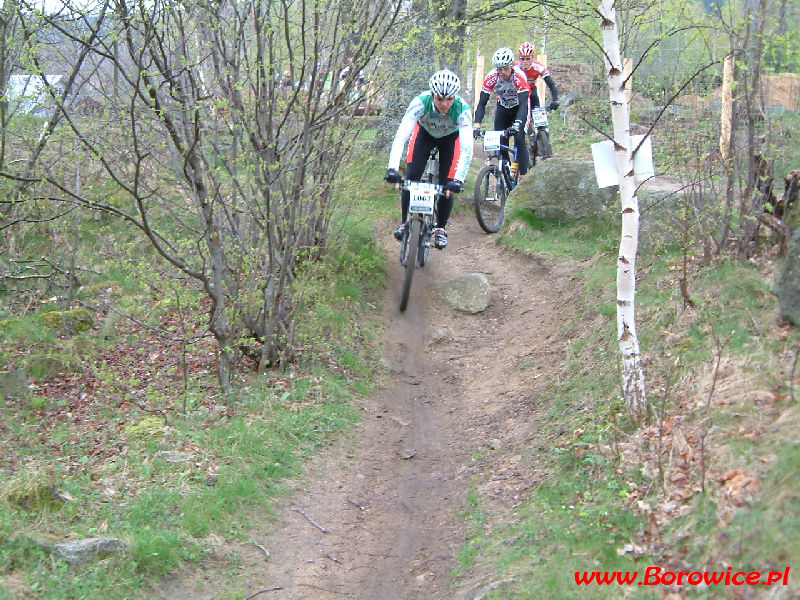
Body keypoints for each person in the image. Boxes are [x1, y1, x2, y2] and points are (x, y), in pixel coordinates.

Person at [384, 69, 473, 249]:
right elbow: (401, 136)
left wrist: (459, 180)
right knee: (412, 176)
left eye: (449, 99)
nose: (445, 104)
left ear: (455, 97)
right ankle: (404, 223)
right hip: (424, 135)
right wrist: (392, 168)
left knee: (448, 184)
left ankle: (440, 228)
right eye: (440, 99)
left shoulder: (462, 110)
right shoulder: (420, 102)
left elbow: (467, 148)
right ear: (432, 95)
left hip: (450, 140)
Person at [473, 47, 531, 176]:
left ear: (511, 66)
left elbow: (523, 105)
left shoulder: (519, 77)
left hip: (519, 108)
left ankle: (524, 177)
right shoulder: (492, 77)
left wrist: (517, 124)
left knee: (519, 138)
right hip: (503, 107)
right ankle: (506, 174)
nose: (503, 72)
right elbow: (482, 103)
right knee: (500, 142)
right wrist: (477, 125)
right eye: (499, 69)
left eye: (505, 68)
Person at [515, 42, 559, 116]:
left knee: (538, 116)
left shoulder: (538, 67)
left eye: (528, 58)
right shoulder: (514, 67)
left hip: (532, 90)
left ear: (532, 58)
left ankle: (540, 126)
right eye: (522, 59)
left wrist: (555, 100)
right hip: (517, 92)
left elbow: (551, 84)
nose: (525, 61)